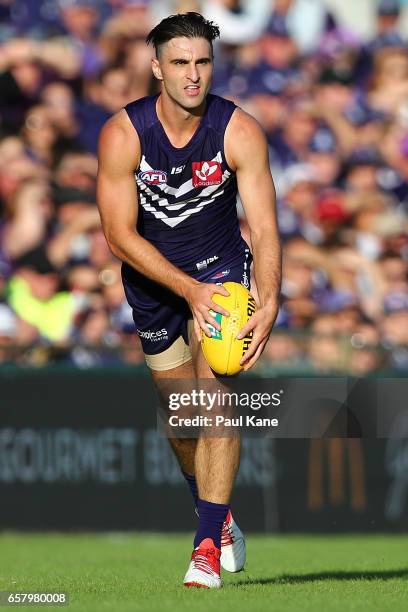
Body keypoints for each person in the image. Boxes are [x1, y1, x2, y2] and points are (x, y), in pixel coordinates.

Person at [97, 12, 281, 589]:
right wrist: (186, 290)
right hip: (156, 283)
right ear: (156, 68)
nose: (192, 75)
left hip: (223, 274)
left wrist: (269, 298)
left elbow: (267, 227)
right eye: (179, 62)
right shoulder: (123, 134)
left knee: (216, 397)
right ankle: (218, 515)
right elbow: (118, 235)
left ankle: (204, 549)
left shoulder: (239, 130)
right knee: (182, 421)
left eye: (202, 62)